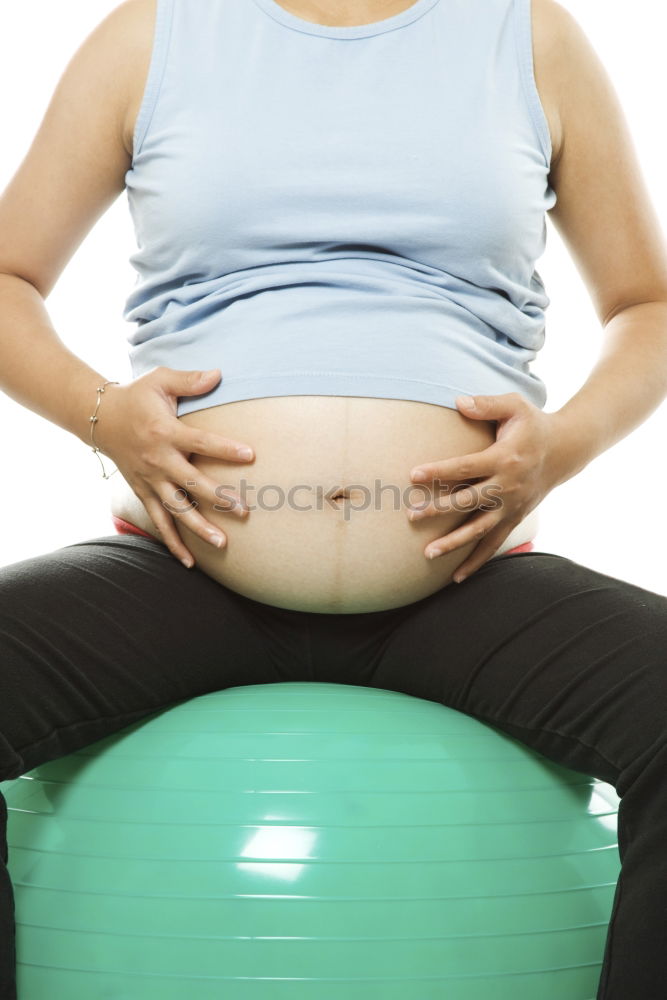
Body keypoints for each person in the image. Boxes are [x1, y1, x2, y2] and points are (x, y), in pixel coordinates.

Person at [0, 0, 666, 996]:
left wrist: (558, 446)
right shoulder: (154, 34)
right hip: (183, 565)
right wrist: (103, 413)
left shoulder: (528, 36)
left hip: (466, 573)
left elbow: (644, 306)